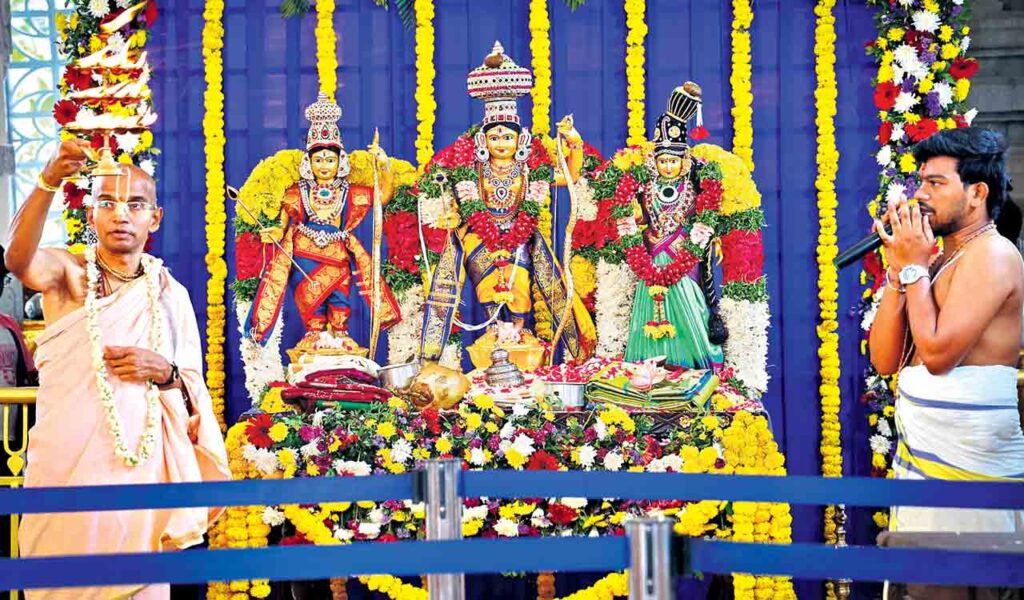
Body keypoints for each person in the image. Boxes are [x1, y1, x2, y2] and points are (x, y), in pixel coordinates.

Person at [5, 140, 231, 599]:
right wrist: (49, 178)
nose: (121, 214)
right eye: (107, 203)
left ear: (155, 217)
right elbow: (17, 259)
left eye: (134, 204)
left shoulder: (171, 294)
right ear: (92, 215)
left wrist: (164, 371)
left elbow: (191, 389)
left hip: (140, 472)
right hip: (67, 466)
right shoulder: (70, 274)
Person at [869, 127, 1024, 535]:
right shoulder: (938, 262)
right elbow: (885, 359)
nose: (921, 194)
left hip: (971, 474)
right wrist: (897, 269)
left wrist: (914, 266)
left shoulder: (994, 254)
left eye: (936, 183)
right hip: (923, 467)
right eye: (921, 181)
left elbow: (937, 357)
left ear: (977, 193)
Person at [245, 92, 400, 353]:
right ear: (309, 163)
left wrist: (384, 167)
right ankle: (314, 337)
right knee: (311, 302)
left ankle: (340, 336)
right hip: (304, 254)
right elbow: (282, 226)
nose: (324, 165)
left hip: (338, 254)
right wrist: (272, 232)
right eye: (318, 160)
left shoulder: (349, 191)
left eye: (330, 159)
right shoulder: (296, 191)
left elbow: (382, 197)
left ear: (340, 162)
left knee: (340, 299)